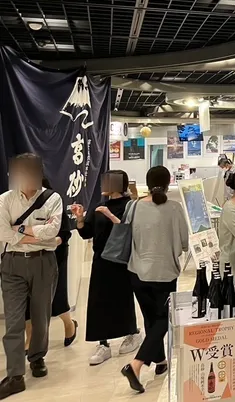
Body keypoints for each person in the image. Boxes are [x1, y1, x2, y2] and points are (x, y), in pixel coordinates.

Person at [121, 166, 189, 394]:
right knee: (163, 320)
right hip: (165, 273)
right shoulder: (175, 208)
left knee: (151, 319)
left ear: (148, 183)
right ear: (169, 182)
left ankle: (160, 362)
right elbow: (184, 243)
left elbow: (127, 236)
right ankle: (136, 364)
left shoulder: (134, 206)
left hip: (137, 273)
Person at [0, 154, 62, 398]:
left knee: (41, 317)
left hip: (43, 263)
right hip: (12, 264)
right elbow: (3, 233)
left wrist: (21, 230)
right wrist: (38, 236)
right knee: (13, 321)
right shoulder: (5, 200)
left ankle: (37, 357)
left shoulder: (52, 199)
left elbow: (53, 231)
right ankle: (15, 376)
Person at [70, 170, 142, 367]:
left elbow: (130, 231)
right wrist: (80, 219)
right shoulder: (99, 205)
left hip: (121, 260)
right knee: (98, 301)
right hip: (100, 259)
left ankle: (132, 333)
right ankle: (103, 343)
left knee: (122, 298)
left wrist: (110, 216)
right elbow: (87, 233)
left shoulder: (130, 206)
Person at [23, 176, 76, 353]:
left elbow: (65, 233)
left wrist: (51, 242)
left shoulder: (54, 202)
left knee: (57, 298)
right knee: (27, 299)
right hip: (28, 257)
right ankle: (30, 338)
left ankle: (69, 324)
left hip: (54, 257)